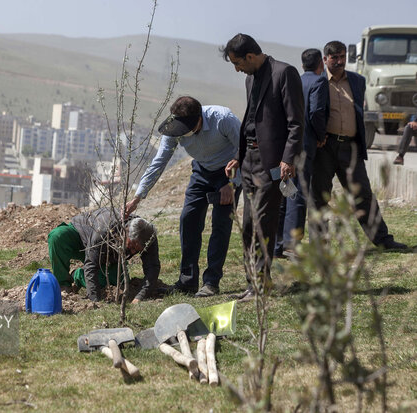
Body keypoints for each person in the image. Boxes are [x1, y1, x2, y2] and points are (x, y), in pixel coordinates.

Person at [124, 96, 241, 297]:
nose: (181, 134)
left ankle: (211, 282)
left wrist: (232, 183)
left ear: (198, 120)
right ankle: (187, 282)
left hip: (229, 172)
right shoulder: (175, 126)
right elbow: (159, 161)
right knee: (188, 220)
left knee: (220, 225)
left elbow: (246, 150)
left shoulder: (223, 119)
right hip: (201, 171)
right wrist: (138, 196)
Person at [221, 34, 304, 301]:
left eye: (237, 63)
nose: (237, 69)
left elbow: (296, 123)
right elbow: (253, 120)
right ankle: (254, 284)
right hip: (249, 163)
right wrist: (238, 154)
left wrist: (288, 159)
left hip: (274, 164)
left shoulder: (284, 73)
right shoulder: (250, 78)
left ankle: (259, 286)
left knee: (259, 225)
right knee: (248, 225)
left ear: (250, 56)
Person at [310, 41, 407, 250]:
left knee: (363, 195)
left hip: (350, 148)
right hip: (324, 148)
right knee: (319, 197)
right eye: (334, 57)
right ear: (325, 59)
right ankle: (319, 247)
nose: (339, 61)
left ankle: (383, 240)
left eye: (342, 57)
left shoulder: (356, 81)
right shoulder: (317, 82)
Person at [275, 48, 329, 257]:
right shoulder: (319, 81)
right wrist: (320, 135)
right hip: (305, 146)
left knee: (285, 191)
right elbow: (315, 112)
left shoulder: (294, 80)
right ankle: (292, 244)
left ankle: (278, 244)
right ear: (320, 64)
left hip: (286, 145)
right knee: (298, 193)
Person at [47, 207, 160, 303]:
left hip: (107, 254)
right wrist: (95, 301)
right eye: (132, 247)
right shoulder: (106, 229)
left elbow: (152, 267)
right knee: (57, 236)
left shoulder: (148, 238)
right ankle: (63, 284)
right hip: (82, 239)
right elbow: (91, 265)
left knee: (117, 282)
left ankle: (78, 275)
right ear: (125, 231)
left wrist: (140, 297)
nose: (134, 252)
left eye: (137, 250)